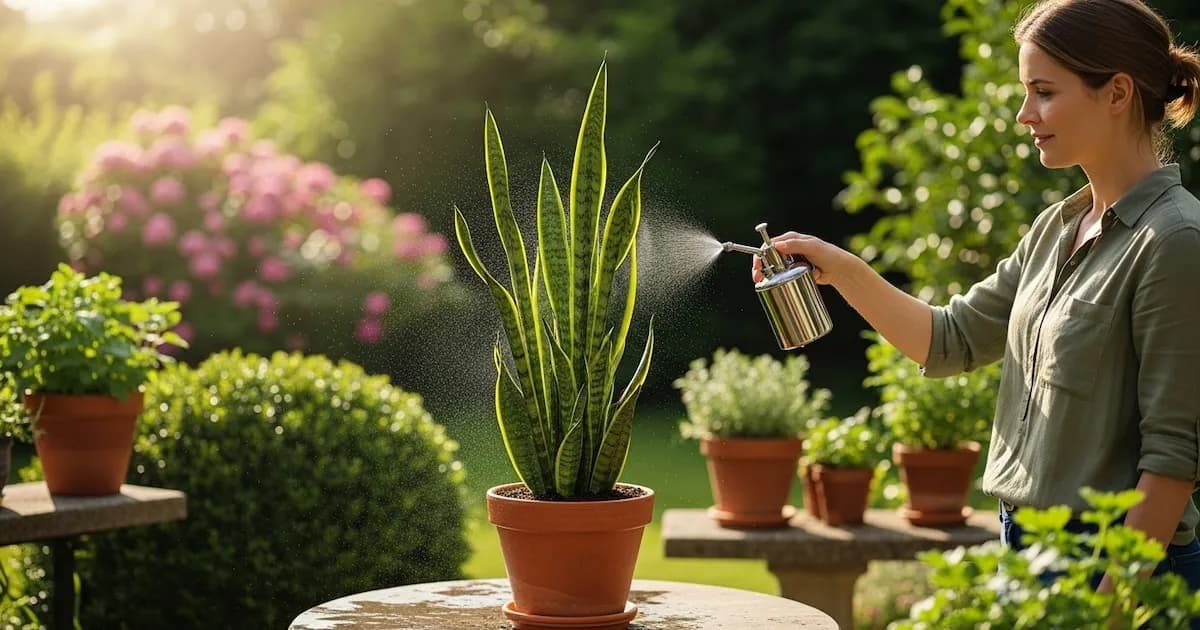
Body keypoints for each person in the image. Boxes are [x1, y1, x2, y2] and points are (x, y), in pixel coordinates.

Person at [757, 0, 1200, 596]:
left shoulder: (1174, 241)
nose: (1024, 114)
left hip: (1115, 569)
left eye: (1043, 92)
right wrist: (840, 270)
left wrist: (1108, 612)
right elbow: (950, 340)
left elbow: (1172, 461)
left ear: (1117, 93)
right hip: (1027, 552)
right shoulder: (1056, 229)